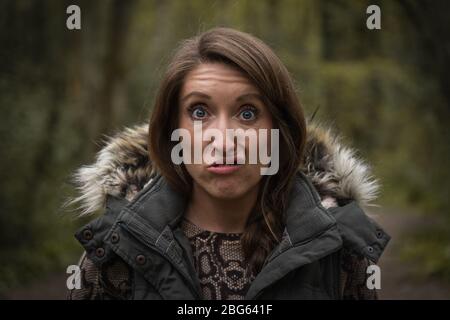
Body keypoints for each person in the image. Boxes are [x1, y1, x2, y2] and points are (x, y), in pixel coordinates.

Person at [67, 27, 390, 300]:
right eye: (199, 112)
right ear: (172, 131)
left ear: (278, 131)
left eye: (247, 113)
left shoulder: (338, 251)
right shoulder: (117, 249)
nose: (223, 140)